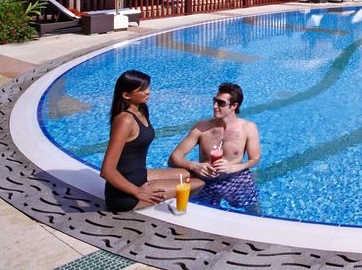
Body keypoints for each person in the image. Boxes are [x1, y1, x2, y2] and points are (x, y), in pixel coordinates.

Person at [100, 70, 199, 212]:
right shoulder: (125, 120)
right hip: (124, 194)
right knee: (198, 183)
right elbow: (107, 171)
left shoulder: (141, 110)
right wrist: (137, 192)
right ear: (126, 95)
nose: (148, 92)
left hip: (139, 175)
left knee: (190, 174)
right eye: (142, 89)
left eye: (147, 87)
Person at [168, 82, 262, 213]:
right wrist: (194, 166)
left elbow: (255, 158)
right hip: (206, 180)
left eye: (221, 103)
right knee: (199, 213)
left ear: (234, 106)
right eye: (215, 101)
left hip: (236, 178)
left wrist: (233, 167)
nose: (215, 106)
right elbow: (173, 158)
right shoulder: (202, 127)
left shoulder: (248, 128)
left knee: (253, 210)